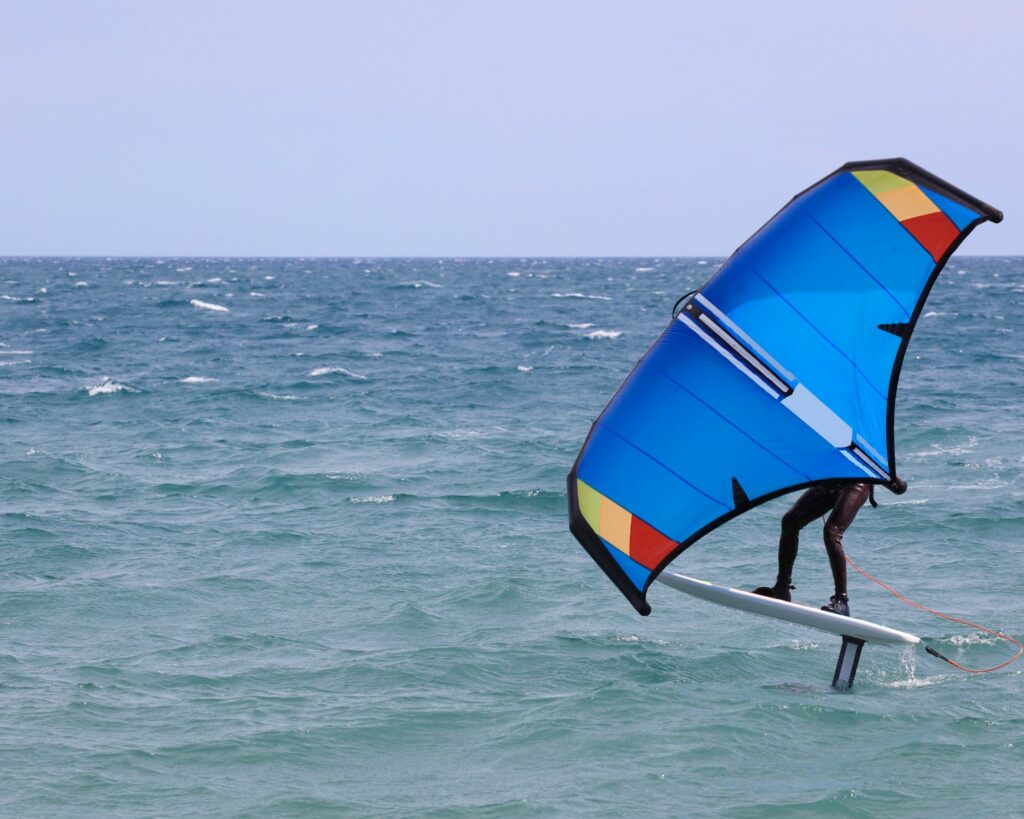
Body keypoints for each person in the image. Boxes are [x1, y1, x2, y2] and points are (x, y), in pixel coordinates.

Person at [754, 478, 907, 616]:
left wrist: (889, 478)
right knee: (790, 521)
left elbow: (900, 488)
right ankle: (782, 588)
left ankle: (841, 601)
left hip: (856, 483)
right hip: (831, 481)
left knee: (832, 532)